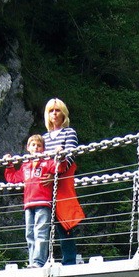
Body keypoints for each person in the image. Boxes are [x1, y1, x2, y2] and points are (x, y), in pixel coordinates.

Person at [4, 134, 59, 268]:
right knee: (29, 233)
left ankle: (38, 262)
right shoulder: (25, 165)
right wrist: (9, 164)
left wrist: (59, 155)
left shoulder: (47, 162)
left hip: (43, 202)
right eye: (33, 145)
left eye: (39, 145)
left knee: (40, 231)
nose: (36, 148)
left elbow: (59, 168)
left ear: (44, 149)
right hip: (28, 203)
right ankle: (32, 262)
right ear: (28, 148)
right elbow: (13, 178)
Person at [42, 98, 85, 265]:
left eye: (57, 110)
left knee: (64, 223)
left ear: (63, 113)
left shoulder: (69, 133)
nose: (54, 113)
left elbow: (70, 156)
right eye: (51, 111)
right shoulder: (44, 137)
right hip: (45, 184)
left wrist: (55, 175)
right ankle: (41, 260)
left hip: (61, 182)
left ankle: (69, 260)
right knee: (43, 223)